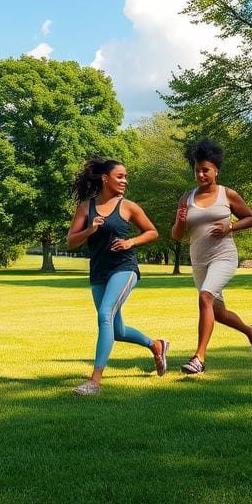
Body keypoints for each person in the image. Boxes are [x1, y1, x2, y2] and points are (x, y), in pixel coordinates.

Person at [66, 158, 169, 396]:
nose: (125, 181)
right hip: (99, 271)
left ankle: (95, 381)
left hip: (124, 268)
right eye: (120, 176)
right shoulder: (85, 208)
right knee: (117, 330)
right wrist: (90, 229)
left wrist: (130, 241)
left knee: (105, 315)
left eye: (126, 177)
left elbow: (152, 231)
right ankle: (156, 345)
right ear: (105, 178)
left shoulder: (128, 206)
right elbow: (71, 242)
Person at [171, 138, 252, 375]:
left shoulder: (227, 194)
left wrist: (230, 227)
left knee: (205, 297)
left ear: (216, 171)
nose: (201, 174)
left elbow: (250, 218)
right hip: (199, 259)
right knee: (218, 313)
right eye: (197, 170)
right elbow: (177, 236)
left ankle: (199, 358)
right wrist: (180, 221)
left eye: (205, 170)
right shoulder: (186, 198)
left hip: (224, 255)